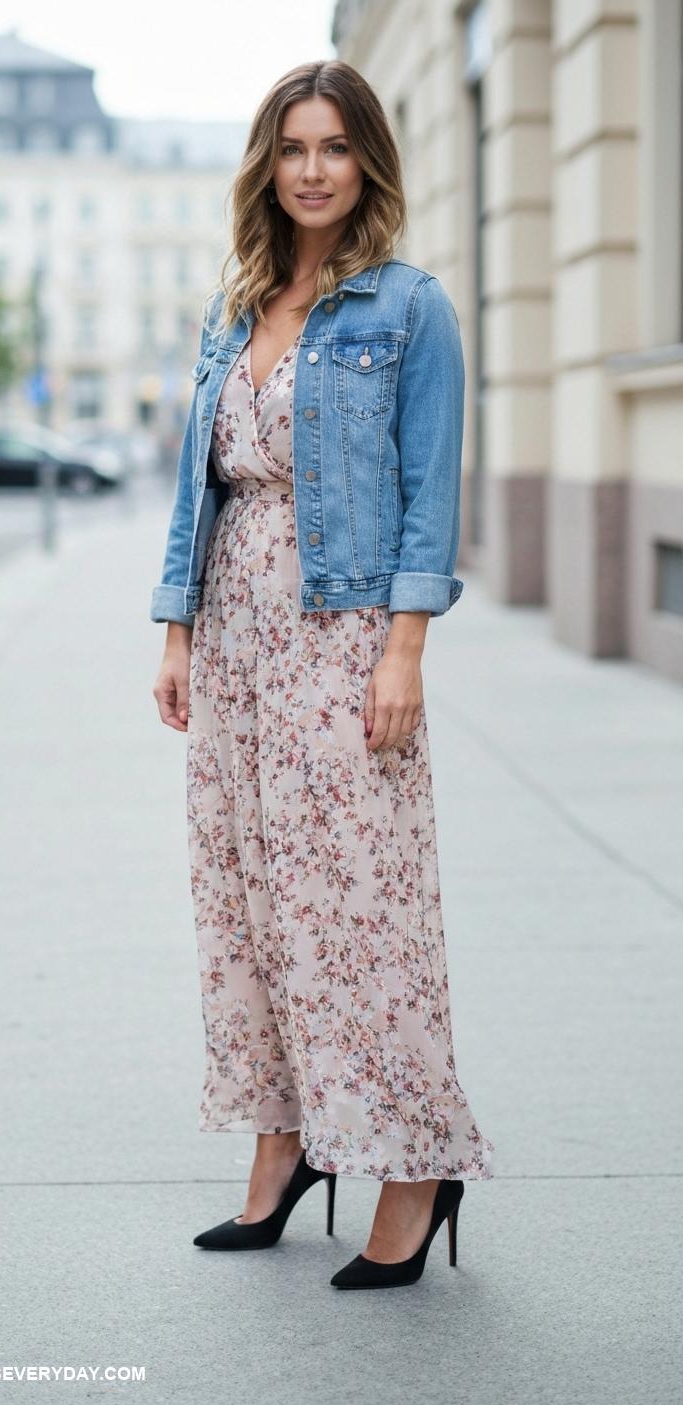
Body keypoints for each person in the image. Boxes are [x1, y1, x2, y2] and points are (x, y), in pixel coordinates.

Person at [151, 59, 495, 1291]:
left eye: (335, 147)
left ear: (368, 164)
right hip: (235, 639)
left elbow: (429, 494)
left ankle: (416, 1166)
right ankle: (284, 1139)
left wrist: (405, 648)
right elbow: (200, 483)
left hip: (343, 639)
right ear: (268, 165)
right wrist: (178, 629)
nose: (312, 170)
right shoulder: (234, 307)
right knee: (248, 905)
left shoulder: (410, 309)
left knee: (362, 912)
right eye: (292, 147)